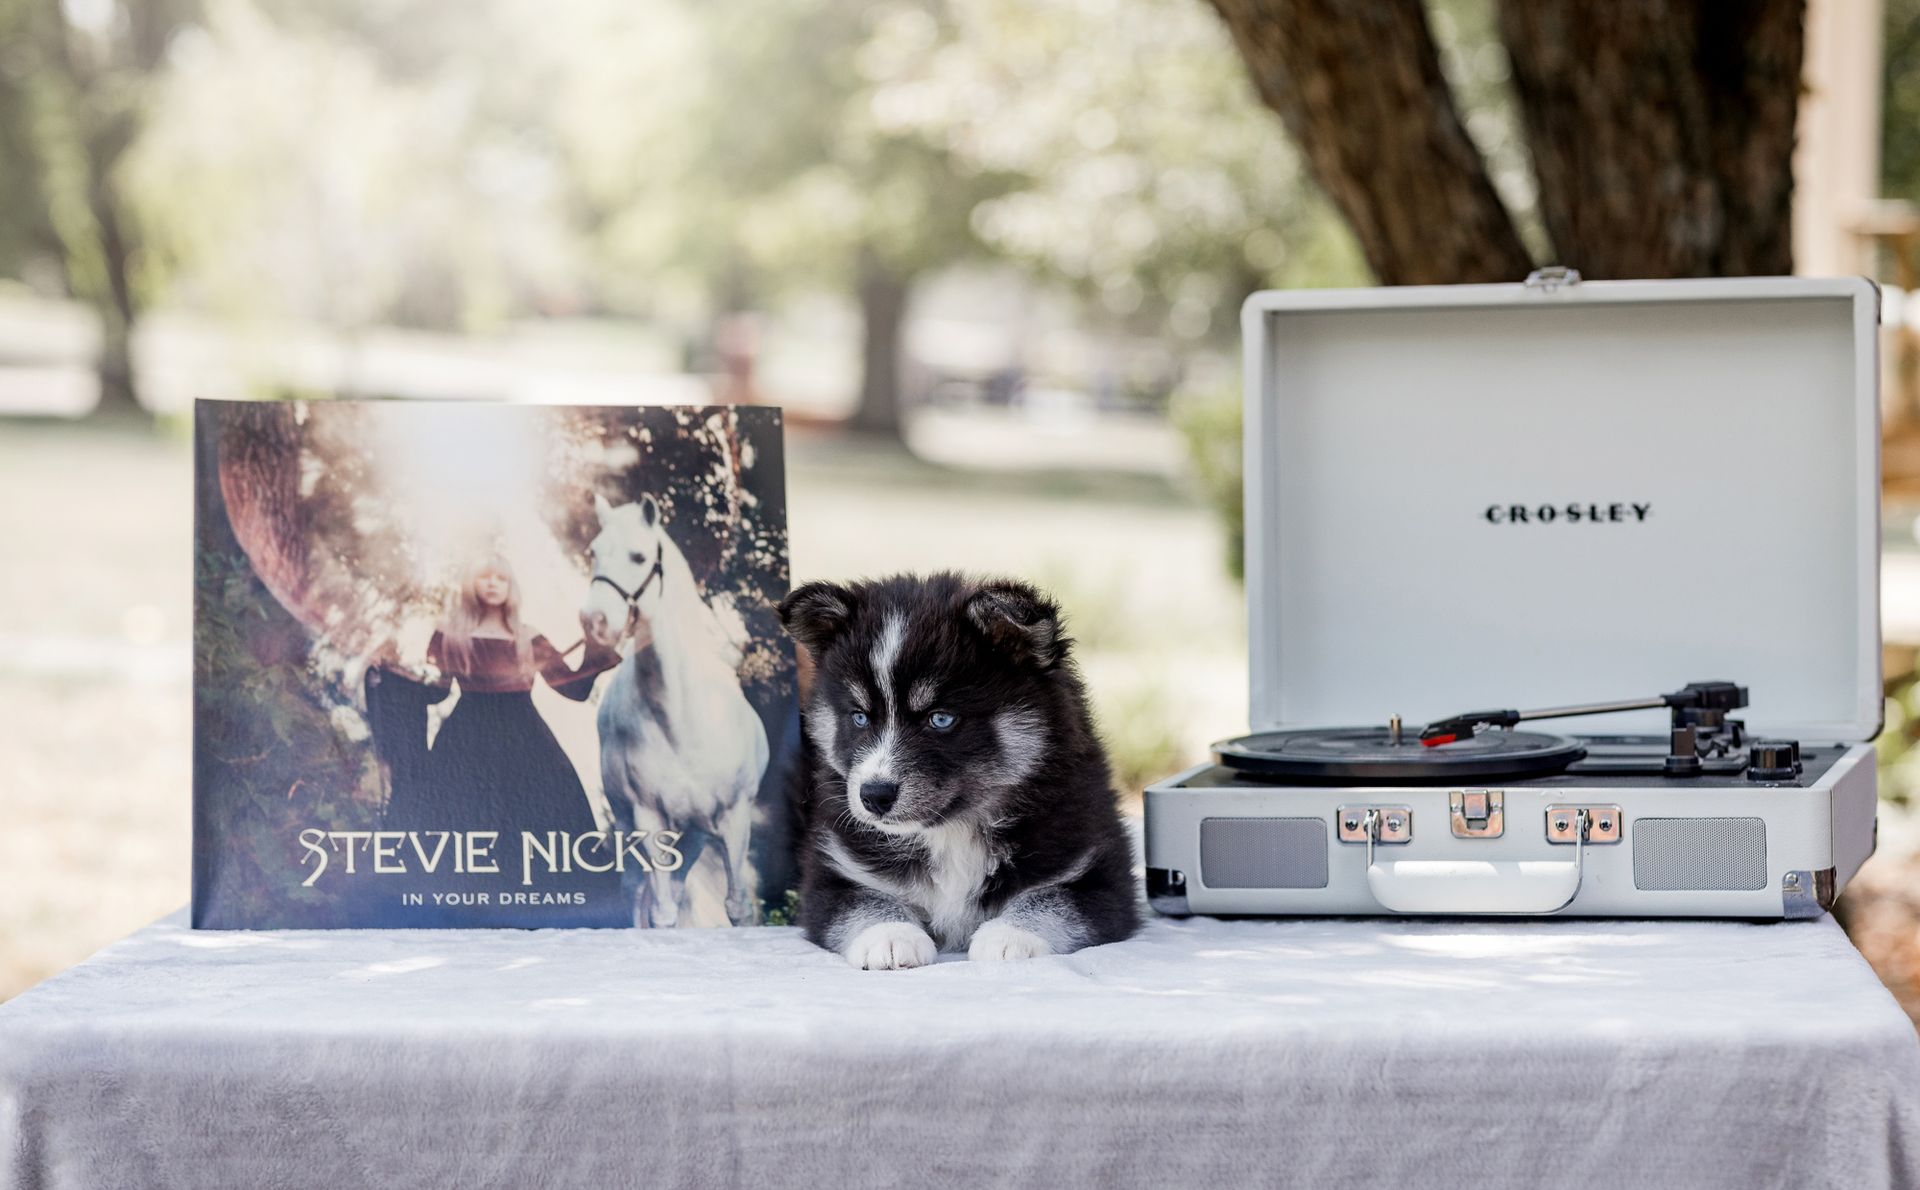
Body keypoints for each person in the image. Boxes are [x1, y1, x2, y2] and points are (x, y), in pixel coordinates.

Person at [364, 554, 628, 924]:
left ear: (510, 586)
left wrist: (596, 646)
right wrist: (391, 676)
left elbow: (574, 690)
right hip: (463, 742)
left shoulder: (529, 636)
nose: (492, 583)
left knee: (544, 820)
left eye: (500, 578)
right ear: (472, 584)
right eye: (484, 576)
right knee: (458, 820)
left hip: (527, 742)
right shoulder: (448, 634)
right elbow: (437, 692)